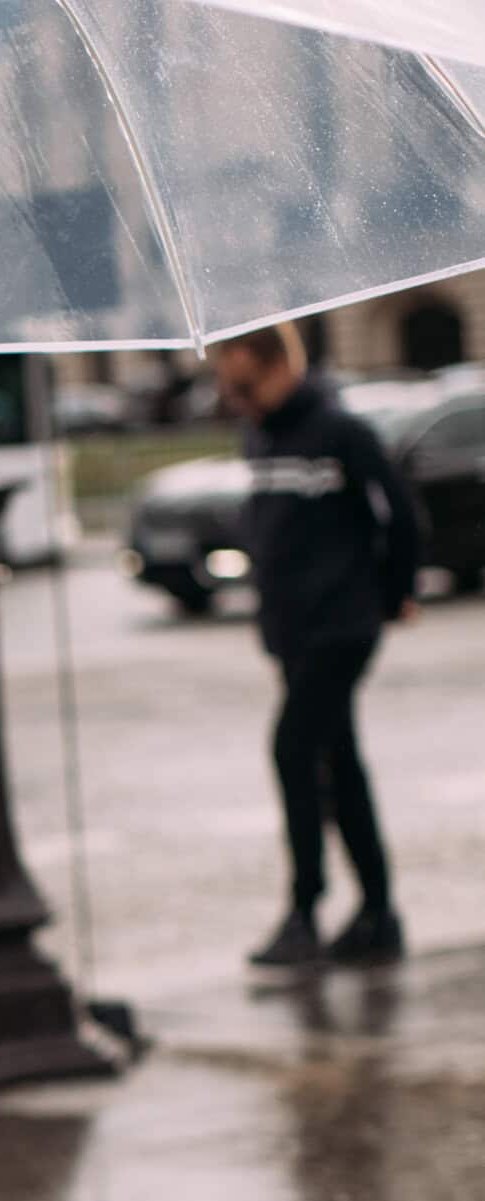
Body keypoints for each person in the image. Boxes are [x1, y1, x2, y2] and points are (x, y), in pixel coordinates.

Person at [210, 323, 422, 969]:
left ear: (280, 366)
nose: (237, 401)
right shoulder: (258, 435)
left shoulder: (341, 432)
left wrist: (392, 595)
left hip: (341, 627)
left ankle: (304, 910)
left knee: (292, 750)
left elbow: (402, 514)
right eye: (228, 390)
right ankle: (378, 913)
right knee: (339, 765)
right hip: (292, 633)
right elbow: (270, 534)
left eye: (245, 385)